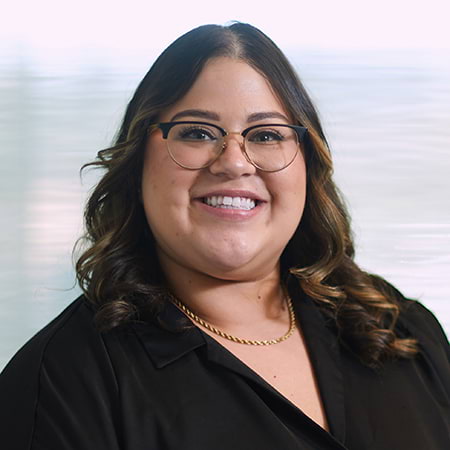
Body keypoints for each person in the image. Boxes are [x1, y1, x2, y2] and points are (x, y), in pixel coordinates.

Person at [0, 22, 448, 450]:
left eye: (267, 135)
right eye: (197, 132)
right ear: (137, 162)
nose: (234, 162)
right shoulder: (62, 381)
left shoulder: (402, 329)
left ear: (307, 166)